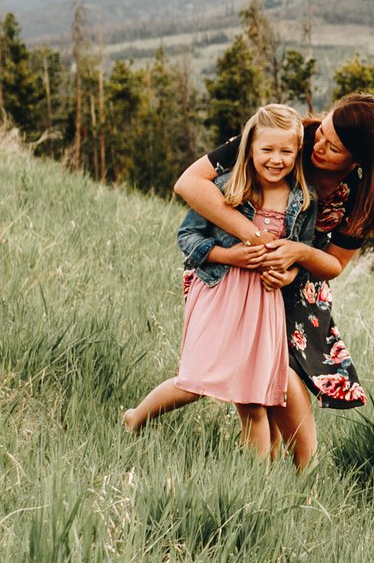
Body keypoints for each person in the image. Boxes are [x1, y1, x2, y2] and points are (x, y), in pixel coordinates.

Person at [166, 92, 374, 469]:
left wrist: (297, 257)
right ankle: (277, 463)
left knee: (286, 363)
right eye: (322, 130)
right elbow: (189, 184)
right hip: (235, 264)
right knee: (271, 366)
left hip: (301, 277)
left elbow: (334, 263)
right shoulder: (285, 137)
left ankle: (300, 471)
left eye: (334, 147)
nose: (318, 145)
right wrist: (257, 239)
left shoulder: (362, 195)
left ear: (358, 159)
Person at [124, 103, 315, 457]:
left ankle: (257, 485)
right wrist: (229, 255)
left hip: (263, 301)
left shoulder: (301, 201)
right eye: (267, 150)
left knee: (254, 397)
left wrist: (286, 273)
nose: (276, 159)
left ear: (297, 152)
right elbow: (188, 238)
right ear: (249, 147)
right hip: (220, 290)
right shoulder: (228, 187)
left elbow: (301, 255)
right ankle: (135, 418)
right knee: (194, 383)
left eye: (286, 151)